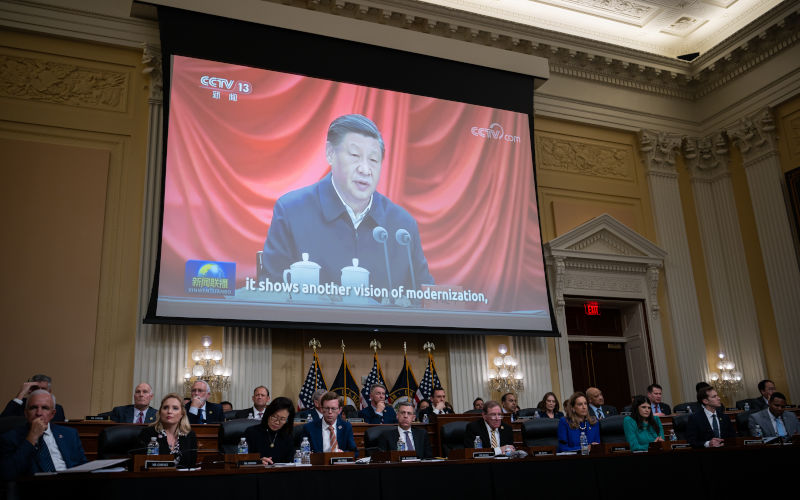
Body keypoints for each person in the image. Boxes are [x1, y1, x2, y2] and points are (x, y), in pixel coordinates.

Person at [261, 114, 434, 296]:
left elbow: (426, 298)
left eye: (374, 160)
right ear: (330, 153)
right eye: (354, 156)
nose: (365, 169)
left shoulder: (402, 226)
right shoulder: (291, 211)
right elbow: (271, 290)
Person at [0, 390, 86, 480]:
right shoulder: (9, 437)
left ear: (52, 414)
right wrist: (32, 436)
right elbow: (8, 473)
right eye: (33, 408)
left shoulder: (69, 434)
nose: (39, 413)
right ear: (26, 413)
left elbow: (83, 466)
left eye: (45, 408)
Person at [137, 393, 197, 468]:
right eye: (165, 408)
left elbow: (192, 464)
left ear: (182, 414)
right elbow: (140, 463)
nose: (169, 411)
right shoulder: (148, 433)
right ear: (160, 412)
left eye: (175, 408)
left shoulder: (189, 435)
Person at [244, 396, 296, 464]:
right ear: (268, 414)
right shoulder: (251, 432)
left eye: (282, 419)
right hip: (258, 472)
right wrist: (258, 462)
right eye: (274, 417)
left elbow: (291, 461)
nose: (277, 422)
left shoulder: (287, 435)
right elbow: (244, 461)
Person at [2, 374, 66, 422]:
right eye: (36, 388)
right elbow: (3, 422)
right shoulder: (18, 405)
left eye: (43, 389)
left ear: (49, 391)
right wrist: (22, 393)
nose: (39, 391)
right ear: (30, 390)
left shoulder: (58, 409)